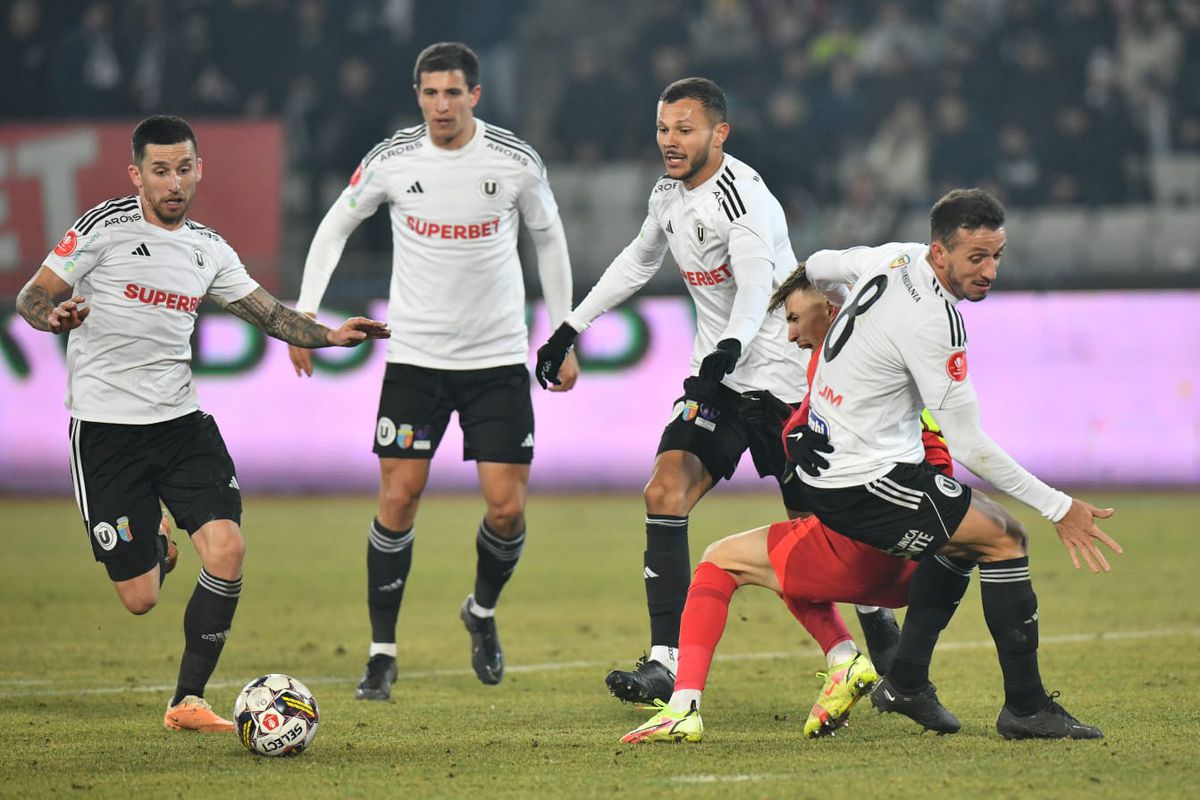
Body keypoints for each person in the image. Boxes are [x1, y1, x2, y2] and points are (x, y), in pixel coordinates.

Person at [14, 115, 389, 732]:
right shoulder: (100, 229)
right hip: (106, 431)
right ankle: (157, 545)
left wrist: (330, 335)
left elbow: (268, 313)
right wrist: (55, 316)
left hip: (182, 425)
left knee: (228, 549)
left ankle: (187, 700)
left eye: (184, 169)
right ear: (136, 174)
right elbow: (33, 295)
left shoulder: (208, 247)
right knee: (139, 599)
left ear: (198, 170)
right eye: (160, 171)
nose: (174, 183)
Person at [535, 77, 891, 705]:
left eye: (684, 130)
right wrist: (571, 326)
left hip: (785, 383)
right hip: (719, 385)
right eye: (663, 129)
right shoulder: (667, 194)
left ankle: (890, 660)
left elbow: (757, 286)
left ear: (718, 133)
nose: (670, 142)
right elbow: (639, 261)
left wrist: (730, 346)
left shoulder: (744, 199)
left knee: (823, 531)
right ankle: (664, 662)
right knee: (664, 490)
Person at [288, 42, 576, 700]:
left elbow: (550, 239)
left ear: (476, 95)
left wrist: (562, 333)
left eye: (453, 93)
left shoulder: (513, 161)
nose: (441, 105)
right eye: (429, 93)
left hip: (497, 360)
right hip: (415, 359)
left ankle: (480, 611)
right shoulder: (392, 161)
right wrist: (303, 315)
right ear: (417, 95)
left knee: (506, 511)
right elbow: (334, 226)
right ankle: (381, 655)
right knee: (397, 500)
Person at [791, 188, 1122, 739]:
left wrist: (833, 322)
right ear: (940, 254)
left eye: (997, 255)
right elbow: (970, 446)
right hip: (860, 479)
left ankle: (907, 681)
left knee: (968, 537)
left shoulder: (893, 256)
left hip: (853, 464)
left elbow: (819, 265)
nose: (990, 269)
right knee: (1005, 538)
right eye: (977, 258)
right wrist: (1059, 506)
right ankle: (1025, 708)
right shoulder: (936, 323)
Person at [621, 264, 958, 743]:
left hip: (869, 551)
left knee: (719, 560)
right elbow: (934, 451)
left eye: (796, 319)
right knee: (786, 554)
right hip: (917, 562)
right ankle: (850, 659)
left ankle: (683, 706)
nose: (791, 333)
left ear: (832, 308)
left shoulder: (849, 366)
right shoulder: (868, 357)